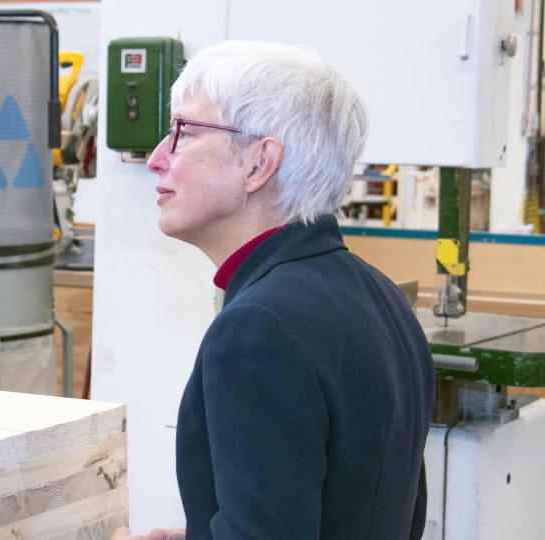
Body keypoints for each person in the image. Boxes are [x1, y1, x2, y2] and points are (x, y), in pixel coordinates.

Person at [114, 41, 434, 538]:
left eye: (185, 131)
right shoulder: (383, 298)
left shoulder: (258, 328)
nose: (157, 158)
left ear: (258, 163)